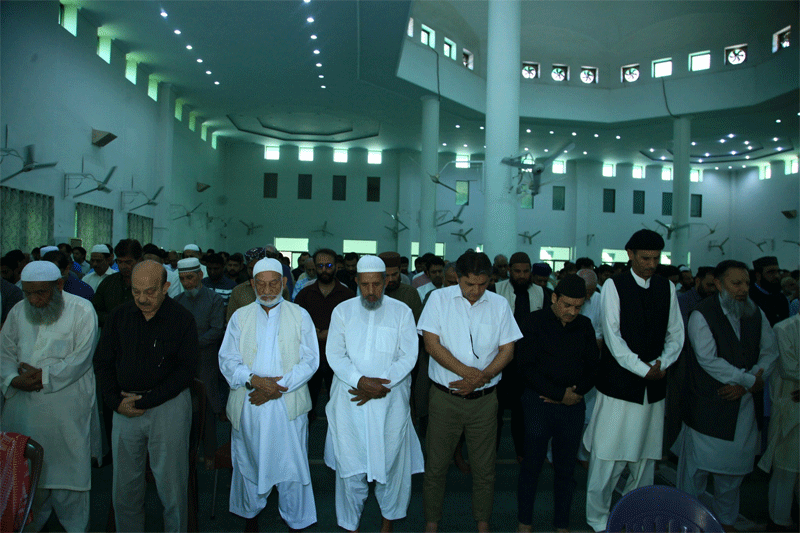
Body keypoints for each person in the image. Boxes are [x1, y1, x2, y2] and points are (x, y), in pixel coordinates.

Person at [584, 229, 684, 532]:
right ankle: (598, 519)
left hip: (653, 389)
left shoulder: (667, 287)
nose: (651, 264)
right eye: (645, 258)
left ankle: (635, 516)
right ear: (630, 255)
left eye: (656, 258)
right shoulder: (614, 285)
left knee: (645, 459)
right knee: (607, 458)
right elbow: (613, 338)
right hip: (619, 387)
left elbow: (676, 334)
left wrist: (662, 363)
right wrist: (643, 369)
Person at [418, 251, 523, 533]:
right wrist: (471, 374)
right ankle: (432, 521)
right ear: (457, 278)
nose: (476, 291)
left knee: (485, 469)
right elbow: (431, 344)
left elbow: (507, 350)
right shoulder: (438, 300)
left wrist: (483, 378)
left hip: (484, 402)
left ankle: (482, 522)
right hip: (444, 399)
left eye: (482, 284)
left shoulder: (499, 304)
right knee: (436, 467)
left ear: (490, 279)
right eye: (469, 284)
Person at [94, 260, 198, 532]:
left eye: (150, 292)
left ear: (165, 287)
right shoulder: (119, 316)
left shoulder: (182, 319)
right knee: (124, 488)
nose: (142, 299)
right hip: (125, 407)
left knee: (171, 486)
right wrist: (115, 402)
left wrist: (147, 401)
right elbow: (103, 363)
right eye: (136, 291)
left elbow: (186, 371)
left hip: (168, 406)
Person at [675, 260, 778, 530]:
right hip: (708, 407)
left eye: (745, 283)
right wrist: (747, 379)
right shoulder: (702, 313)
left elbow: (770, 351)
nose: (743, 289)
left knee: (732, 479)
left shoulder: (755, 313)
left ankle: (727, 523)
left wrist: (750, 380)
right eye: (736, 283)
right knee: (694, 475)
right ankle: (687, 522)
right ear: (719, 284)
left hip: (744, 408)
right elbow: (708, 360)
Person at [324, 255, 424, 532]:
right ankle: (350, 525)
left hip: (389, 401)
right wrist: (360, 381)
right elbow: (334, 353)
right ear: (356, 281)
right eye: (365, 285)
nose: (371, 292)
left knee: (391, 465)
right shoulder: (342, 312)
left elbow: (408, 356)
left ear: (387, 280)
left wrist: (381, 386)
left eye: (377, 284)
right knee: (351, 465)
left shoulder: (402, 311)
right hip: (351, 400)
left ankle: (387, 524)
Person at [219, 258, 319, 531]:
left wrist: (277, 388)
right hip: (250, 402)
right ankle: (251, 517)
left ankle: (295, 521)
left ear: (284, 283)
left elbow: (310, 360)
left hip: (287, 403)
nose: (267, 289)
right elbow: (227, 360)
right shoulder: (240, 317)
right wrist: (254, 381)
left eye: (273, 282)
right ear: (252, 284)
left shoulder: (300, 315)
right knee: (250, 463)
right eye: (260, 283)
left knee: (291, 466)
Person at [1, 261, 100, 532]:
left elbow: (81, 358)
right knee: (26, 477)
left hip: (66, 411)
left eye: (41, 293)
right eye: (29, 293)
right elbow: (5, 352)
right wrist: (13, 379)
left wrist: (43, 376)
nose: (34, 300)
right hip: (23, 411)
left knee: (69, 482)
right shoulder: (18, 311)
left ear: (58, 285)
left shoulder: (82, 310)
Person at [516, 275, 599, 533]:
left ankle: (561, 524)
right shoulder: (532, 322)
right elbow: (525, 368)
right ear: (554, 298)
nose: (573, 312)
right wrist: (557, 393)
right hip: (538, 403)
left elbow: (593, 367)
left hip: (573, 405)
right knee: (532, 466)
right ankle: (525, 522)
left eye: (578, 306)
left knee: (566, 470)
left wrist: (574, 394)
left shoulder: (584, 326)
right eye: (567, 305)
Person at [493, 251, 546, 460]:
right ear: (509, 271)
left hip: (529, 363)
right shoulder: (496, 290)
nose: (522, 276)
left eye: (526, 272)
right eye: (517, 271)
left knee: (523, 412)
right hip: (500, 361)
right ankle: (491, 454)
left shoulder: (543, 293)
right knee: (494, 413)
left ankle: (522, 453)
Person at [174, 257, 226, 466]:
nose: (187, 283)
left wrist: (191, 344)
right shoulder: (177, 301)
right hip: (183, 363)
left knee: (209, 407)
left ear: (200, 276)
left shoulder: (213, 299)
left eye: (190, 278)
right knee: (184, 409)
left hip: (206, 361)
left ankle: (210, 454)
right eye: (183, 279)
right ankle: (187, 454)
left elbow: (216, 330)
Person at [295, 248, 355, 418]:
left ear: (337, 267)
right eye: (319, 266)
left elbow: (354, 326)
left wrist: (332, 333)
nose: (324, 270)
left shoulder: (347, 294)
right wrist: (312, 332)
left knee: (339, 408)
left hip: (338, 360)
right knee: (306, 408)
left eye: (328, 265)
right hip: (309, 358)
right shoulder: (305, 293)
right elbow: (295, 322)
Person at [758, 314, 799, 532]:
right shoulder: (784, 328)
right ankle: (778, 522)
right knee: (786, 468)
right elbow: (789, 368)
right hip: (790, 408)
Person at [93, 239, 143, 328]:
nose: (123, 266)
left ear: (139, 260)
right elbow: (95, 312)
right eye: (119, 262)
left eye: (128, 262)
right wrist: (114, 319)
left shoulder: (149, 285)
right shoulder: (108, 283)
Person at [750, 256, 789, 327]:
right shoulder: (749, 297)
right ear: (758, 276)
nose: (777, 276)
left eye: (778, 272)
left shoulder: (781, 297)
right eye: (771, 272)